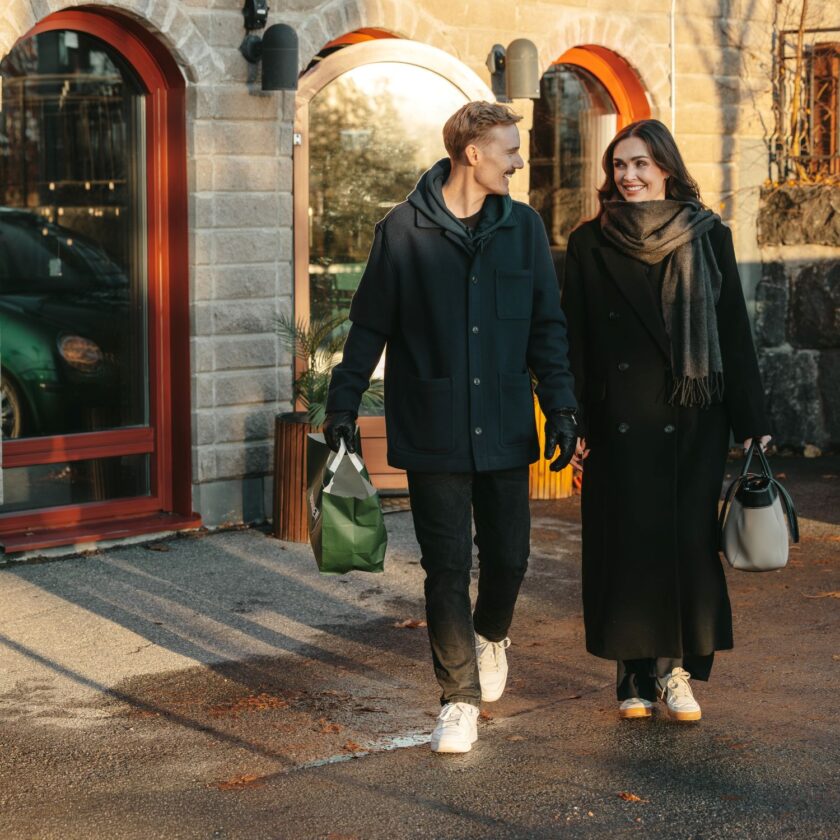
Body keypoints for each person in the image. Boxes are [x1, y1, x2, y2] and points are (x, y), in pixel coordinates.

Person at [323, 101, 578, 753]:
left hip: (504, 422)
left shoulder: (523, 228)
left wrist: (561, 405)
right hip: (432, 424)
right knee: (445, 567)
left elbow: (546, 327)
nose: (518, 161)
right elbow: (369, 327)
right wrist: (342, 405)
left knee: (510, 558)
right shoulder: (401, 231)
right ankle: (458, 699)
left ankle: (491, 634)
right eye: (509, 149)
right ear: (473, 153)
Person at [561, 119, 771, 723]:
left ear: (666, 169)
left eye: (640, 164)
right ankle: (632, 675)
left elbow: (732, 330)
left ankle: (677, 671)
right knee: (626, 543)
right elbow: (575, 339)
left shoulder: (708, 235)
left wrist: (751, 419)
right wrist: (574, 421)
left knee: (687, 546)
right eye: (619, 165)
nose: (627, 176)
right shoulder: (589, 242)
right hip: (618, 418)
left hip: (694, 416)